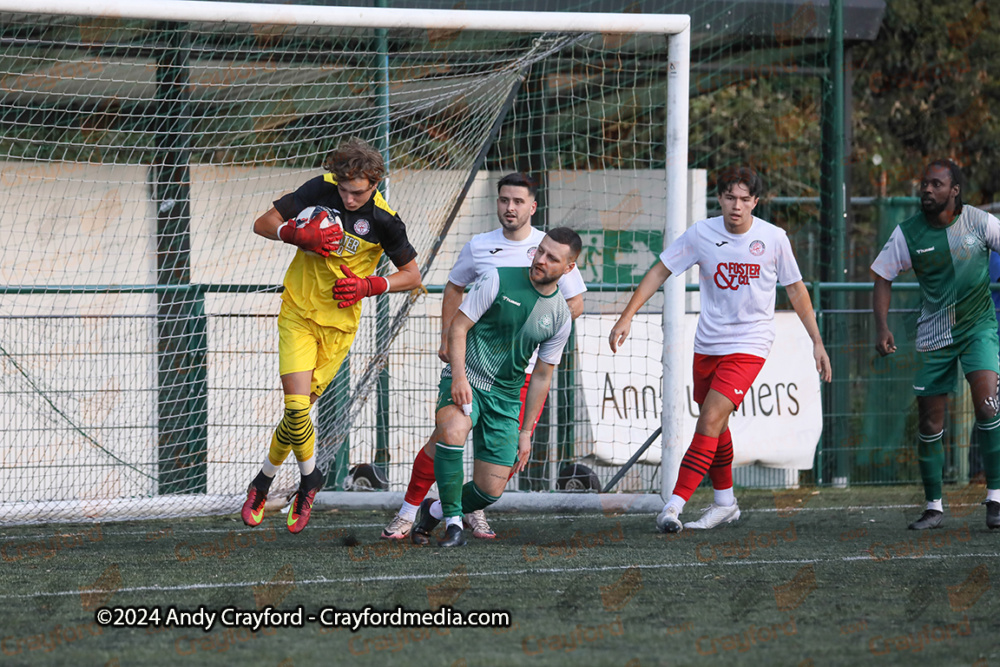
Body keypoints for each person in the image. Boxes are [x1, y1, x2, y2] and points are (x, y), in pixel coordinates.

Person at [609, 166, 831, 533]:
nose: (737, 206)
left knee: (709, 418)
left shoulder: (773, 238)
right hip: (708, 343)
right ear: (720, 199)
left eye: (745, 199)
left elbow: (795, 289)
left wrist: (817, 342)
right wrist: (626, 316)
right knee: (716, 423)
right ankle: (725, 502)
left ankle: (674, 505)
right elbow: (660, 270)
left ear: (756, 202)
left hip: (751, 343)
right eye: (730, 197)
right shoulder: (701, 233)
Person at [380, 173, 586, 541]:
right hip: (470, 371)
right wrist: (449, 341)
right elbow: (455, 289)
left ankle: (450, 509)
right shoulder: (483, 253)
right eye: (504, 199)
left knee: (494, 478)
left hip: (513, 381)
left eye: (518, 201)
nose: (510, 207)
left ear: (532, 206)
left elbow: (570, 314)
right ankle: (426, 515)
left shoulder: (554, 256)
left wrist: (532, 326)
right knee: (450, 433)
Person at [240, 137, 421, 534]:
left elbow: (412, 277)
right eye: (343, 189)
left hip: (338, 328)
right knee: (297, 408)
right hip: (298, 314)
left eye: (357, 192)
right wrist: (295, 235)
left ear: (375, 184)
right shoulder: (319, 189)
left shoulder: (385, 221)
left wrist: (370, 286)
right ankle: (310, 481)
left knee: (295, 414)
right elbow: (262, 224)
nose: (348, 198)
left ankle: (263, 480)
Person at [872, 159, 1000, 530]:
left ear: (954, 190)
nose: (926, 190)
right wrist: (881, 327)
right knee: (930, 421)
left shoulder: (978, 222)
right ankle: (934, 508)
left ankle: (995, 500)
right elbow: (882, 275)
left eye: (936, 184)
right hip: (934, 335)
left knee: (988, 404)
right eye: (923, 184)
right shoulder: (907, 233)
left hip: (979, 328)